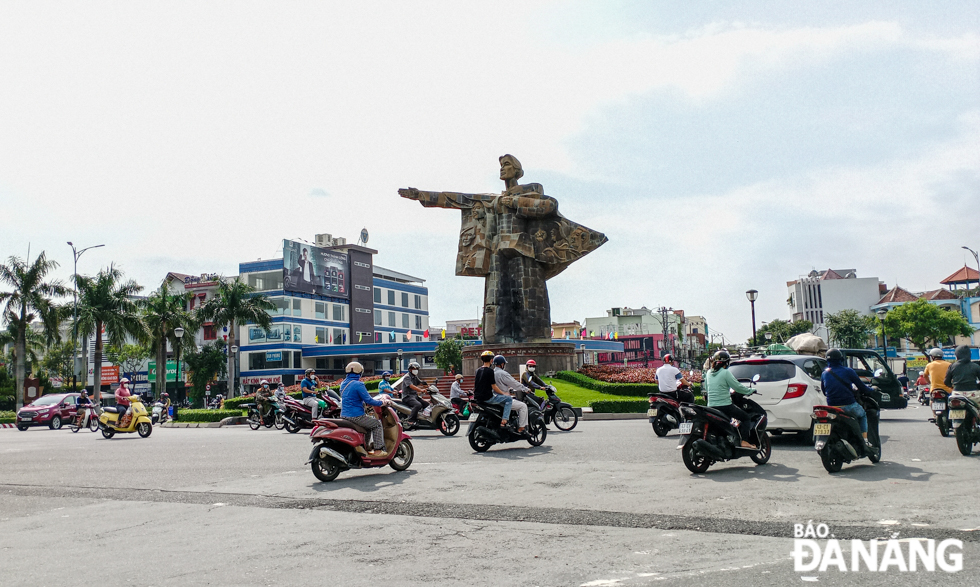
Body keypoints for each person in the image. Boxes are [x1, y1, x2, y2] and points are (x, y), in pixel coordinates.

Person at [821, 348, 876, 449]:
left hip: (832, 407)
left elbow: (824, 391)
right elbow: (862, 387)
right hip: (848, 405)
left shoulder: (824, 373)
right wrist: (872, 390)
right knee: (863, 414)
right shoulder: (848, 371)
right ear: (841, 359)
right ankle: (865, 440)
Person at [703, 350, 757, 449]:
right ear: (727, 363)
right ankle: (744, 441)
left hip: (711, 406)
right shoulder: (725, 372)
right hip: (725, 406)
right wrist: (750, 390)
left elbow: (706, 388)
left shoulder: (709, 373)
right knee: (746, 418)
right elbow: (738, 387)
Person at [339, 362, 392, 456]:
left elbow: (352, 398)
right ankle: (378, 450)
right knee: (377, 424)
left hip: (344, 416)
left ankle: (365, 448)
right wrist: (382, 402)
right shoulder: (358, 384)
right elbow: (369, 400)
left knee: (367, 427)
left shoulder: (343, 384)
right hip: (356, 416)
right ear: (360, 372)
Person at [491, 355, 529, 434]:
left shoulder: (492, 373)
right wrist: (525, 389)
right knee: (523, 406)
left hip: (494, 398)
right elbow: (514, 383)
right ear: (502, 364)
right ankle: (521, 428)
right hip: (503, 399)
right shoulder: (502, 373)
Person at [473, 351, 510, 428]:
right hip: (488, 398)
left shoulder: (478, 371)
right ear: (491, 360)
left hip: (477, 398)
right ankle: (504, 420)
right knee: (508, 399)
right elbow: (494, 387)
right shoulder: (490, 371)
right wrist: (504, 393)